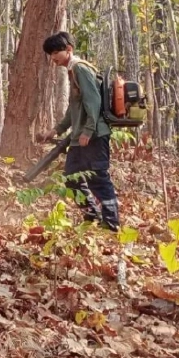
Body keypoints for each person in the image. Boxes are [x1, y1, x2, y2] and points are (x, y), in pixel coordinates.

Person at [38, 31, 121, 231]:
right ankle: (92, 216)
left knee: (98, 178)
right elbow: (74, 108)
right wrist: (57, 130)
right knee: (71, 177)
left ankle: (111, 224)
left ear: (68, 49)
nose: (53, 58)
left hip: (93, 136)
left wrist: (88, 131)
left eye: (55, 52)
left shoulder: (80, 68)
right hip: (79, 137)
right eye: (50, 54)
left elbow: (93, 102)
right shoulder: (72, 71)